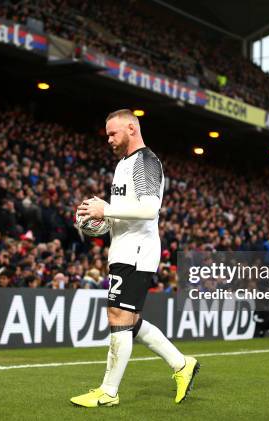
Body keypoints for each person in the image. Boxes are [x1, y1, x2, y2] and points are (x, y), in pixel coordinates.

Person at [71, 109, 199, 408]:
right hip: (125, 249)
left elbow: (149, 209)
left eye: (113, 133)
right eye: (107, 136)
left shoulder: (145, 161)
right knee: (130, 319)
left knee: (118, 316)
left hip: (137, 252)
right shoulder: (123, 165)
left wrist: (106, 210)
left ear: (132, 128)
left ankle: (109, 391)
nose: (109, 139)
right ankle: (182, 365)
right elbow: (127, 213)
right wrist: (100, 224)